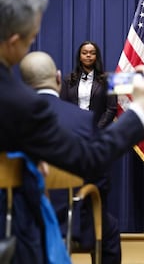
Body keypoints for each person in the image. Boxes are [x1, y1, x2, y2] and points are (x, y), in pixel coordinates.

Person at [0, 0, 144, 262]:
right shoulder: (18, 101)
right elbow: (90, 157)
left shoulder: (21, 98)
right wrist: (141, 106)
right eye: (30, 38)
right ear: (12, 42)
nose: (32, 42)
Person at [20, 51, 121, 264]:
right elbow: (100, 178)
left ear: (23, 84)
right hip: (70, 218)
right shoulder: (82, 120)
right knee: (108, 232)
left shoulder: (9, 117)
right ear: (58, 78)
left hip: (18, 219)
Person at [60, 40, 117, 129]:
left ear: (96, 57)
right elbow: (63, 106)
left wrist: (97, 128)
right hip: (74, 130)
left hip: (98, 131)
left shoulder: (109, 79)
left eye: (92, 53)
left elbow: (112, 108)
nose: (88, 55)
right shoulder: (68, 80)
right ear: (79, 56)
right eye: (84, 53)